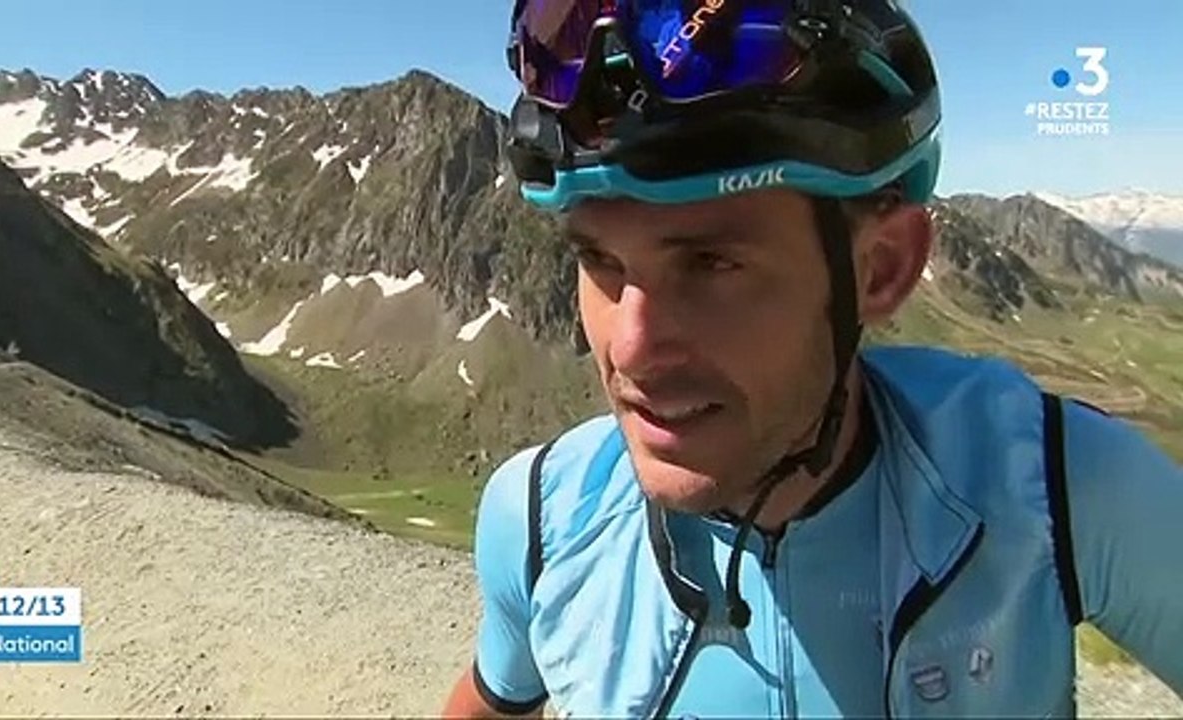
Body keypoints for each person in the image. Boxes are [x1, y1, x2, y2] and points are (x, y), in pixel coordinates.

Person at [442, 0, 1183, 717]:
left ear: (881, 270)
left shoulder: (1060, 487)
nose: (629, 348)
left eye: (710, 263)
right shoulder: (540, 521)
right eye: (601, 261)